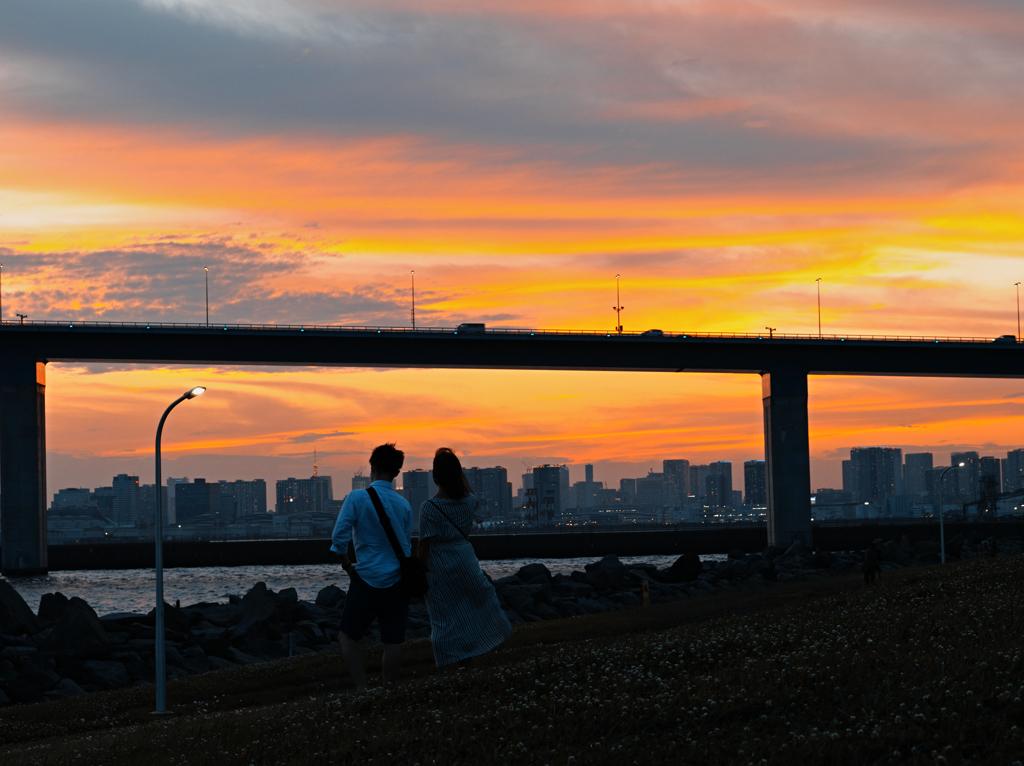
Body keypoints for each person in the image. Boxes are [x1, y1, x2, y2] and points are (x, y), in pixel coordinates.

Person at [418, 448, 511, 671]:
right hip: (466, 560)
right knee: (468, 615)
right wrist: (462, 479)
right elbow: (479, 515)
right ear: (459, 475)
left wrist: (420, 574)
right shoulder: (469, 501)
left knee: (443, 619)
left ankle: (447, 668)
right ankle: (466, 666)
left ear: (435, 477)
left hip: (441, 566)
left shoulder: (429, 507)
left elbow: (424, 544)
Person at [330, 443, 412, 692]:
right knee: (393, 641)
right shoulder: (404, 505)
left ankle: (363, 691)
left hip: (366, 579)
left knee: (347, 637)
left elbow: (338, 538)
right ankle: (389, 691)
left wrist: (347, 567)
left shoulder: (357, 497)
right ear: (397, 473)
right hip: (398, 581)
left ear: (371, 467)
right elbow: (406, 546)